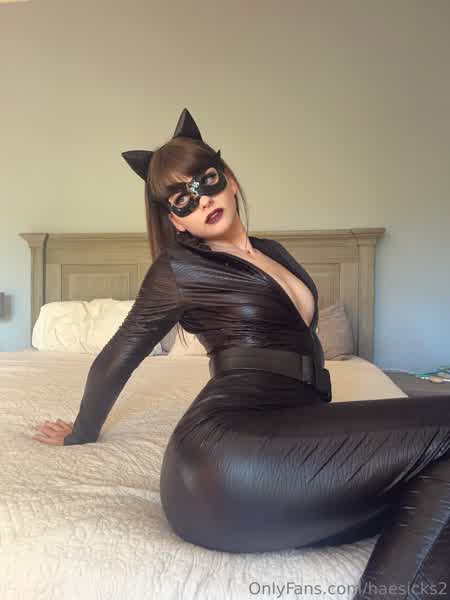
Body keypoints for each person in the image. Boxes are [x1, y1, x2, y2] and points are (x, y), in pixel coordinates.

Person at [33, 108, 450, 597]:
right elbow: (119, 354)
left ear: (228, 179)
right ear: (176, 220)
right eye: (183, 200)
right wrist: (81, 432)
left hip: (291, 438)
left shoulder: (273, 251)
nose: (201, 200)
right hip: (225, 454)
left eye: (206, 181)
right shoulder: (179, 269)